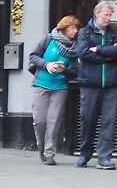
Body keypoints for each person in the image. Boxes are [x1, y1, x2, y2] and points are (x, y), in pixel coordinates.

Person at [75, 2, 117, 170]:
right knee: (88, 119)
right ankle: (85, 153)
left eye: (110, 15)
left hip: (111, 83)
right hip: (90, 83)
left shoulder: (115, 32)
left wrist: (98, 49)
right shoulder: (84, 32)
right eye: (106, 15)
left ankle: (104, 157)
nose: (108, 18)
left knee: (109, 121)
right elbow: (83, 53)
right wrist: (107, 56)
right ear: (96, 14)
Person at [29, 15, 81, 166]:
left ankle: (49, 153)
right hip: (41, 84)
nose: (75, 31)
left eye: (76, 28)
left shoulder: (74, 48)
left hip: (60, 87)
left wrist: (64, 69)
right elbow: (33, 56)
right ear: (64, 27)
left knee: (54, 121)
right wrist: (46, 65)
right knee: (39, 121)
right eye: (72, 27)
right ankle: (41, 149)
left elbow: (75, 72)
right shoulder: (48, 39)